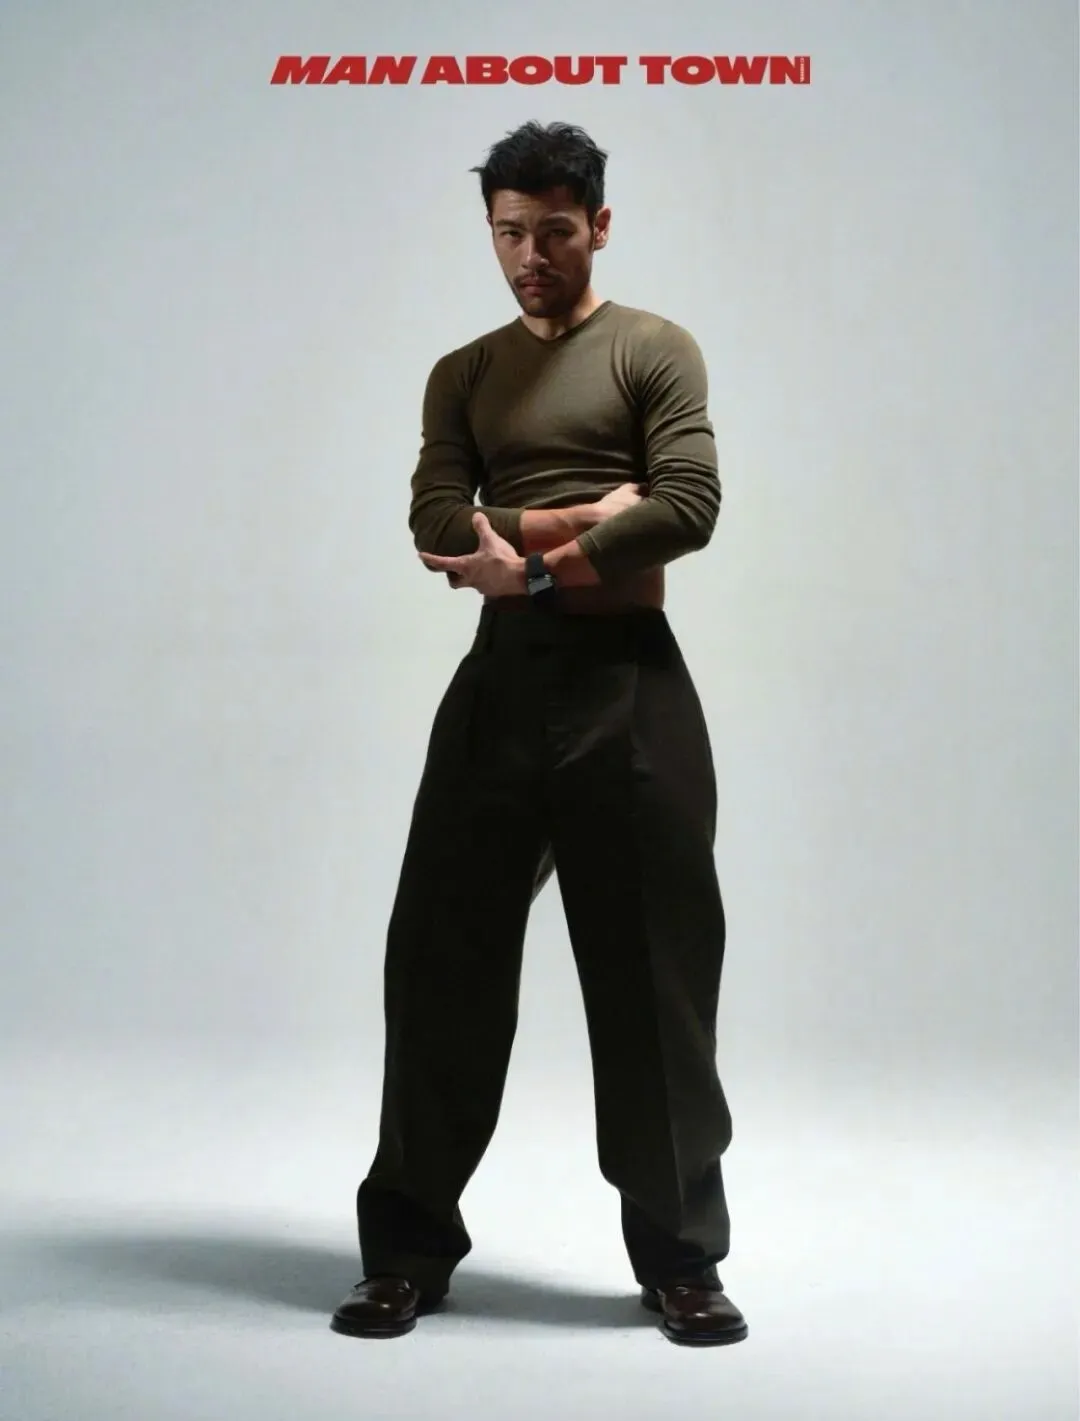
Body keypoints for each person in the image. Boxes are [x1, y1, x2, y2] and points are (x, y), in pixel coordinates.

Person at [330, 120, 747, 1348]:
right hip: (501, 689)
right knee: (438, 966)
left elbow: (688, 506)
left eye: (554, 232)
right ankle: (405, 1252)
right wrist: (587, 523)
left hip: (630, 688)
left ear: (598, 226)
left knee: (656, 979)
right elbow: (436, 525)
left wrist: (533, 562)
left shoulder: (653, 349)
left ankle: (682, 1259)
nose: (529, 256)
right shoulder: (463, 372)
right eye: (508, 233)